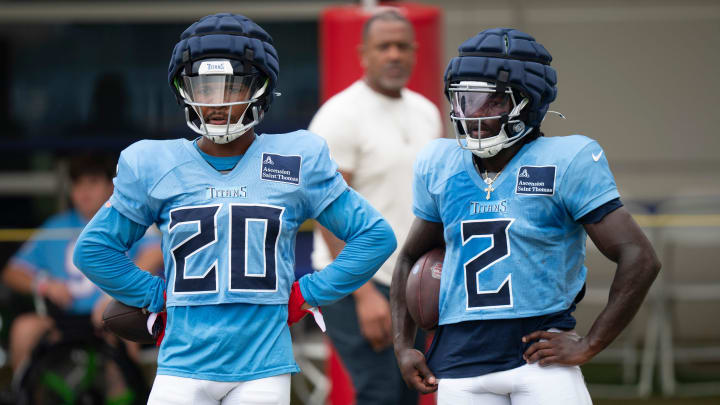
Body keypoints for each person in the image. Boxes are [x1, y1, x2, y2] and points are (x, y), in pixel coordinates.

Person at [72, 13, 396, 405]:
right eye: (204, 88)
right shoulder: (153, 164)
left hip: (263, 367)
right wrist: (158, 296)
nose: (217, 101)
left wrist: (308, 292)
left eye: (233, 86)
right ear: (184, 90)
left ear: (261, 89)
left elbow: (375, 237)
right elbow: (94, 251)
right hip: (181, 366)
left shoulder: (296, 158)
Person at [390, 28, 661, 404]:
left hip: (540, 364)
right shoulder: (440, 164)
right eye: (465, 101)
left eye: (491, 102)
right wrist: (404, 345)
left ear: (528, 102)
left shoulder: (566, 159)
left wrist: (591, 343)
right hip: (459, 366)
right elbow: (408, 258)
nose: (474, 115)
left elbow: (640, 257)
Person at [308, 9, 441, 405]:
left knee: (409, 391)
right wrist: (364, 293)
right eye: (384, 46)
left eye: (402, 46)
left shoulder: (427, 112)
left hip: (411, 280)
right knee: (380, 393)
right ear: (363, 53)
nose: (394, 55)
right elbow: (326, 209)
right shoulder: (339, 115)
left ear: (416, 52)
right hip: (355, 283)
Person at [1, 154, 162, 373]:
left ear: (111, 186)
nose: (84, 192)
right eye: (77, 184)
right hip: (63, 318)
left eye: (93, 183)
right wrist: (44, 284)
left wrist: (114, 296)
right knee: (24, 329)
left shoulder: (128, 218)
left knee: (124, 330)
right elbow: (11, 272)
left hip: (113, 314)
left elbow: (155, 253)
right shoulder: (56, 225)